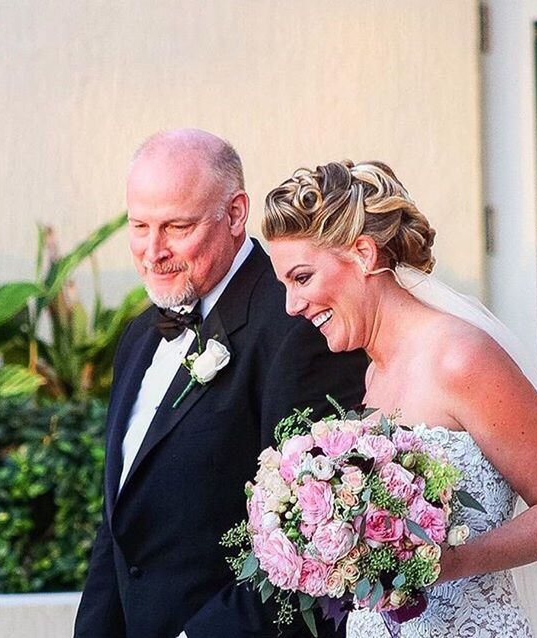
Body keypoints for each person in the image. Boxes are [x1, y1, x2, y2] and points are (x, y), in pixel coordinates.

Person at [263, 160, 537, 637]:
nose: (291, 305)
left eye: (302, 278)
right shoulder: (374, 374)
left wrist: (442, 564)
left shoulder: (460, 359)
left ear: (365, 254)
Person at [73, 131, 368, 638]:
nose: (152, 251)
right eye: (139, 226)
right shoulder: (139, 336)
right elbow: (119, 527)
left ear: (235, 214)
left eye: (176, 227)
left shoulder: (298, 326)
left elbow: (314, 541)